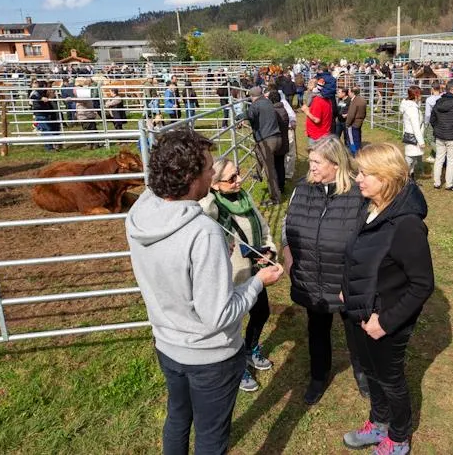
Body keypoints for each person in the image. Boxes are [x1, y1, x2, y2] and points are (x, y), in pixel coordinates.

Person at [125, 130, 283, 455]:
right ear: (189, 177)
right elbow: (219, 315)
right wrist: (258, 282)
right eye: (208, 168)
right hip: (209, 357)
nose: (212, 174)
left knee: (178, 417)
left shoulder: (141, 212)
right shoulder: (203, 233)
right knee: (211, 436)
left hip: (167, 345)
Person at [342, 142, 434, 455]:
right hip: (359, 311)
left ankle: (399, 436)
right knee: (370, 372)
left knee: (390, 379)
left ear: (387, 177)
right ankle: (378, 422)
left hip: (385, 320)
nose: (358, 179)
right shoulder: (370, 208)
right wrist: (347, 288)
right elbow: (359, 257)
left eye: (366, 173)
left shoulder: (406, 224)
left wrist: (386, 322)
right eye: (359, 172)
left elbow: (422, 284)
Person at [282, 135, 369, 404]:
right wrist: (287, 253)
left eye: (317, 163)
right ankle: (318, 376)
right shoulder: (303, 188)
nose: (312, 168)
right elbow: (288, 224)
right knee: (317, 329)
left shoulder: (357, 194)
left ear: (335, 164)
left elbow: (369, 237)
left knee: (355, 331)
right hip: (312, 274)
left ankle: (363, 375)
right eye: (310, 162)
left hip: (346, 279)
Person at [199, 158, 278, 393]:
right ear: (214, 184)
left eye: (239, 174)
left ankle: (250, 349)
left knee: (261, 312)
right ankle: (237, 366)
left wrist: (269, 249)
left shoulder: (245, 197)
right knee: (231, 325)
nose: (239, 180)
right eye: (232, 178)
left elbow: (262, 226)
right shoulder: (211, 207)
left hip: (254, 272)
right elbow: (200, 209)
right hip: (230, 276)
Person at [246, 86, 283, 206]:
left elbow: (250, 116)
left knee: (270, 171)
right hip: (277, 137)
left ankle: (275, 198)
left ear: (252, 97)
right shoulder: (268, 102)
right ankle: (257, 173)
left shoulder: (255, 105)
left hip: (267, 141)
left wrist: (241, 116)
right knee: (258, 151)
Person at [430, 80, 453, 191]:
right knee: (451, 161)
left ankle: (437, 182)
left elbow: (432, 119)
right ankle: (449, 184)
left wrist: (437, 129)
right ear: (452, 90)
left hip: (440, 135)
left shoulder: (438, 102)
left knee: (439, 159)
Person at [400, 85, 425, 180]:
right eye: (420, 94)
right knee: (409, 160)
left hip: (410, 135)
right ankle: (404, 179)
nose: (421, 96)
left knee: (412, 159)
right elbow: (416, 126)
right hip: (413, 137)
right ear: (416, 95)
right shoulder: (412, 109)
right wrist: (421, 141)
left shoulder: (410, 105)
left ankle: (410, 179)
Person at [30, 79, 60, 151]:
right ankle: (49, 148)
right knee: (46, 130)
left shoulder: (43, 92)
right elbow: (33, 96)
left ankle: (52, 146)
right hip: (41, 114)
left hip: (45, 114)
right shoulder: (36, 92)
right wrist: (41, 98)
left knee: (49, 129)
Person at [270, 90, 290, 194]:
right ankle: (281, 186)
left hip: (277, 142)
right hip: (284, 141)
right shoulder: (283, 109)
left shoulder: (274, 111)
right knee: (280, 165)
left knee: (275, 166)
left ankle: (278, 187)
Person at [301, 78, 333, 146]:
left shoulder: (317, 101)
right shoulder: (328, 100)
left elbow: (317, 120)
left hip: (317, 136)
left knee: (315, 154)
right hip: (324, 133)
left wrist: (306, 112)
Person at [423, 82, 442, 164]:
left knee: (430, 138)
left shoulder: (429, 99)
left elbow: (427, 114)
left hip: (433, 121)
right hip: (441, 121)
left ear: (432, 89)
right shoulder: (442, 97)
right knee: (438, 139)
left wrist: (426, 123)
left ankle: (440, 154)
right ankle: (433, 155)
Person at [345, 86, 367, 155]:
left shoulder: (354, 101)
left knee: (352, 140)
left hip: (353, 124)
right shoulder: (362, 100)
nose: (348, 93)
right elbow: (364, 113)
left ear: (352, 92)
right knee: (358, 138)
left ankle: (354, 153)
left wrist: (347, 124)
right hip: (359, 123)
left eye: (349, 92)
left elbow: (351, 114)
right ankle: (359, 152)